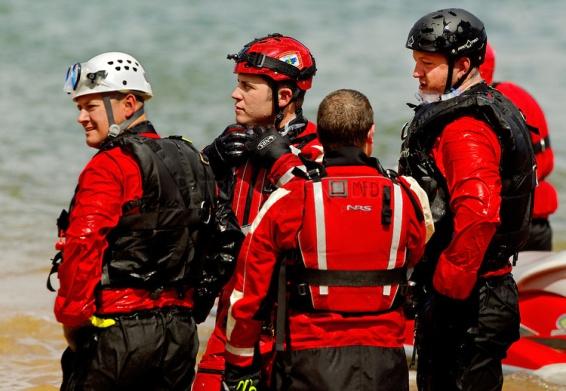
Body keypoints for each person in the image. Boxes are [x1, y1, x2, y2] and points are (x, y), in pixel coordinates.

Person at [50, 51, 242, 390]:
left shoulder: (109, 166)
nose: (80, 117)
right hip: (179, 339)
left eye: (90, 106)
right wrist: (193, 307)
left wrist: (72, 320)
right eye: (79, 107)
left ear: (128, 104)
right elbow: (227, 240)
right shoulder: (193, 158)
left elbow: (83, 243)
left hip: (115, 334)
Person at [224, 89, 431, 391]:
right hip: (385, 359)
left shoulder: (294, 198)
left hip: (310, 360)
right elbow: (416, 252)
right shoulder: (406, 195)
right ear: (370, 132)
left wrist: (240, 365)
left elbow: (248, 288)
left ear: (319, 135)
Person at [399, 8, 537, 391]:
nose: (416, 73)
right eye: (416, 62)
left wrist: (444, 291)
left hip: (469, 299)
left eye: (426, 63)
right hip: (486, 290)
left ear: (462, 64)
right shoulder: (490, 104)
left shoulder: (465, 129)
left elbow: (479, 216)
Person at [193, 33, 322, 390]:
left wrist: (284, 160)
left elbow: (324, 219)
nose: (236, 94)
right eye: (238, 85)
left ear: (283, 96)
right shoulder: (232, 141)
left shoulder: (317, 149)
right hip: (232, 312)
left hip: (291, 323)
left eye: (248, 87)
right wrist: (208, 162)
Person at [479, 42, 558, 251]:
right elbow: (547, 162)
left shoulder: (482, 108)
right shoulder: (521, 95)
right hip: (540, 225)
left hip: (509, 227)